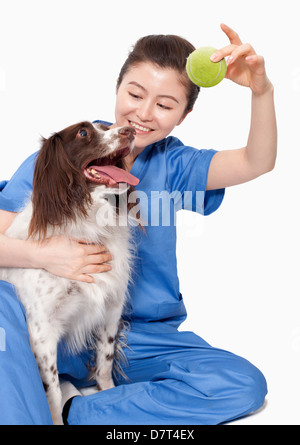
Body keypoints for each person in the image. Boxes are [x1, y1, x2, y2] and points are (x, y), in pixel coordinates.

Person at [0, 24, 276, 425]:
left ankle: (79, 410)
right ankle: (34, 407)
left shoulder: (176, 166)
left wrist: (262, 91)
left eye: (165, 105)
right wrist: (44, 253)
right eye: (134, 94)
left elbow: (258, 161)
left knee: (242, 384)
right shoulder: (66, 154)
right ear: (117, 87)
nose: (144, 113)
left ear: (185, 115)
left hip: (136, 338)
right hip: (41, 326)